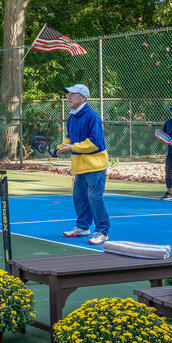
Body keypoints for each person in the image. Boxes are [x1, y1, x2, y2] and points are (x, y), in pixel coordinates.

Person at [56, 84, 110, 245]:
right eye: (69, 94)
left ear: (83, 98)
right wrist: (60, 148)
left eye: (73, 94)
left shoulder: (93, 116)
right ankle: (83, 228)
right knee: (79, 197)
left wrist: (71, 148)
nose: (69, 97)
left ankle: (102, 231)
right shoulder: (72, 117)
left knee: (94, 197)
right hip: (79, 167)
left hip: (95, 166)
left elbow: (94, 143)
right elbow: (69, 138)